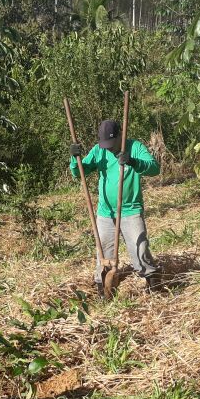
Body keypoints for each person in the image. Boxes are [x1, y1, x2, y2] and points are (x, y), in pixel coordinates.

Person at [70, 119, 163, 296]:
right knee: (104, 254)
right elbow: (79, 172)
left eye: (111, 144)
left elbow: (154, 169)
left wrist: (133, 162)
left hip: (130, 210)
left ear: (121, 135)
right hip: (105, 212)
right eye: (105, 145)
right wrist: (75, 159)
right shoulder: (99, 150)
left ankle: (154, 286)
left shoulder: (134, 147)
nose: (108, 148)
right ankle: (104, 290)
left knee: (140, 249)